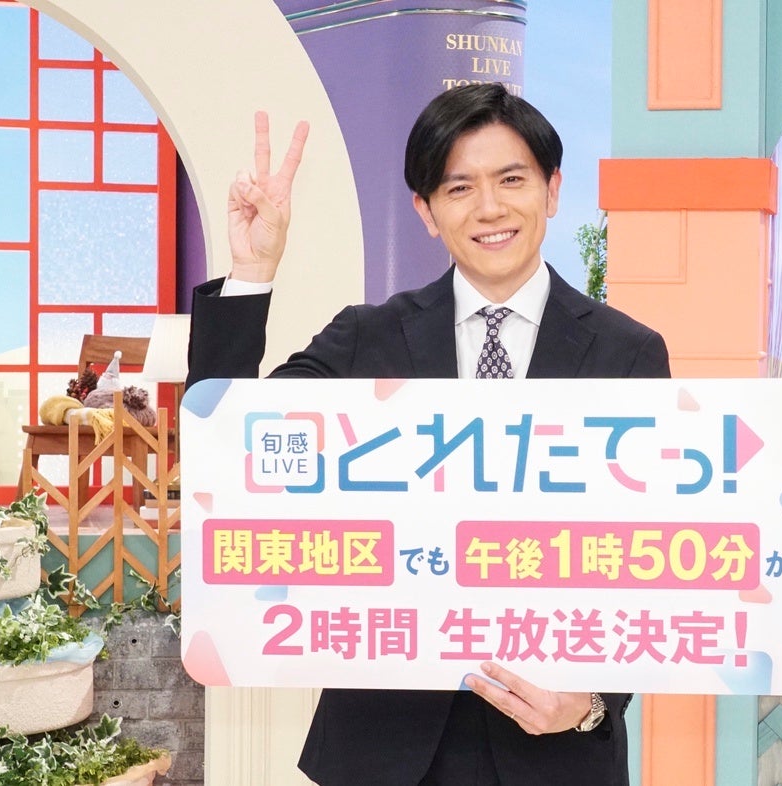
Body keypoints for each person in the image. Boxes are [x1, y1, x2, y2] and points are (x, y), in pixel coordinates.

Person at [187, 83, 670, 786]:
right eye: (458, 188)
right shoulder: (368, 337)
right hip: (381, 748)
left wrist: (592, 702)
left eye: (511, 180)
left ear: (552, 190)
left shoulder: (628, 353)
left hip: (552, 748)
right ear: (426, 211)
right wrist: (253, 271)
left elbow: (650, 556)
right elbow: (227, 444)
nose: (490, 208)